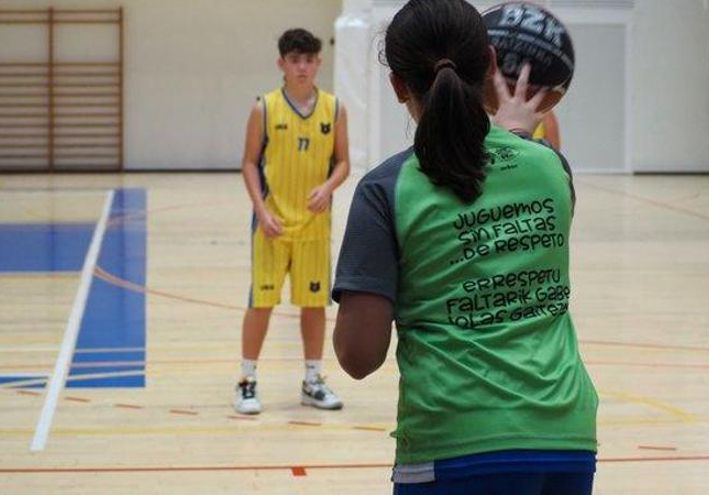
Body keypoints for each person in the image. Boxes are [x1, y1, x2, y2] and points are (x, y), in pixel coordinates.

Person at [331, 1, 598, 493]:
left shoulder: (385, 189)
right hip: (566, 438)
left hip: (454, 442)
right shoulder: (550, 168)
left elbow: (359, 356)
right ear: (490, 64)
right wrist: (520, 135)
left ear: (398, 86)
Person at [235, 28, 350, 415]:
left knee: (314, 305)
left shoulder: (334, 109)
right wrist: (261, 210)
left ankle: (312, 380)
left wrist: (329, 186)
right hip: (272, 224)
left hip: (314, 226)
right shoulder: (264, 108)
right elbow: (249, 163)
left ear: (319, 63)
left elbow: (344, 162)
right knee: (262, 303)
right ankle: (247, 380)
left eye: (308, 60)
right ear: (281, 64)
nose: (302, 67)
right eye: (294, 60)